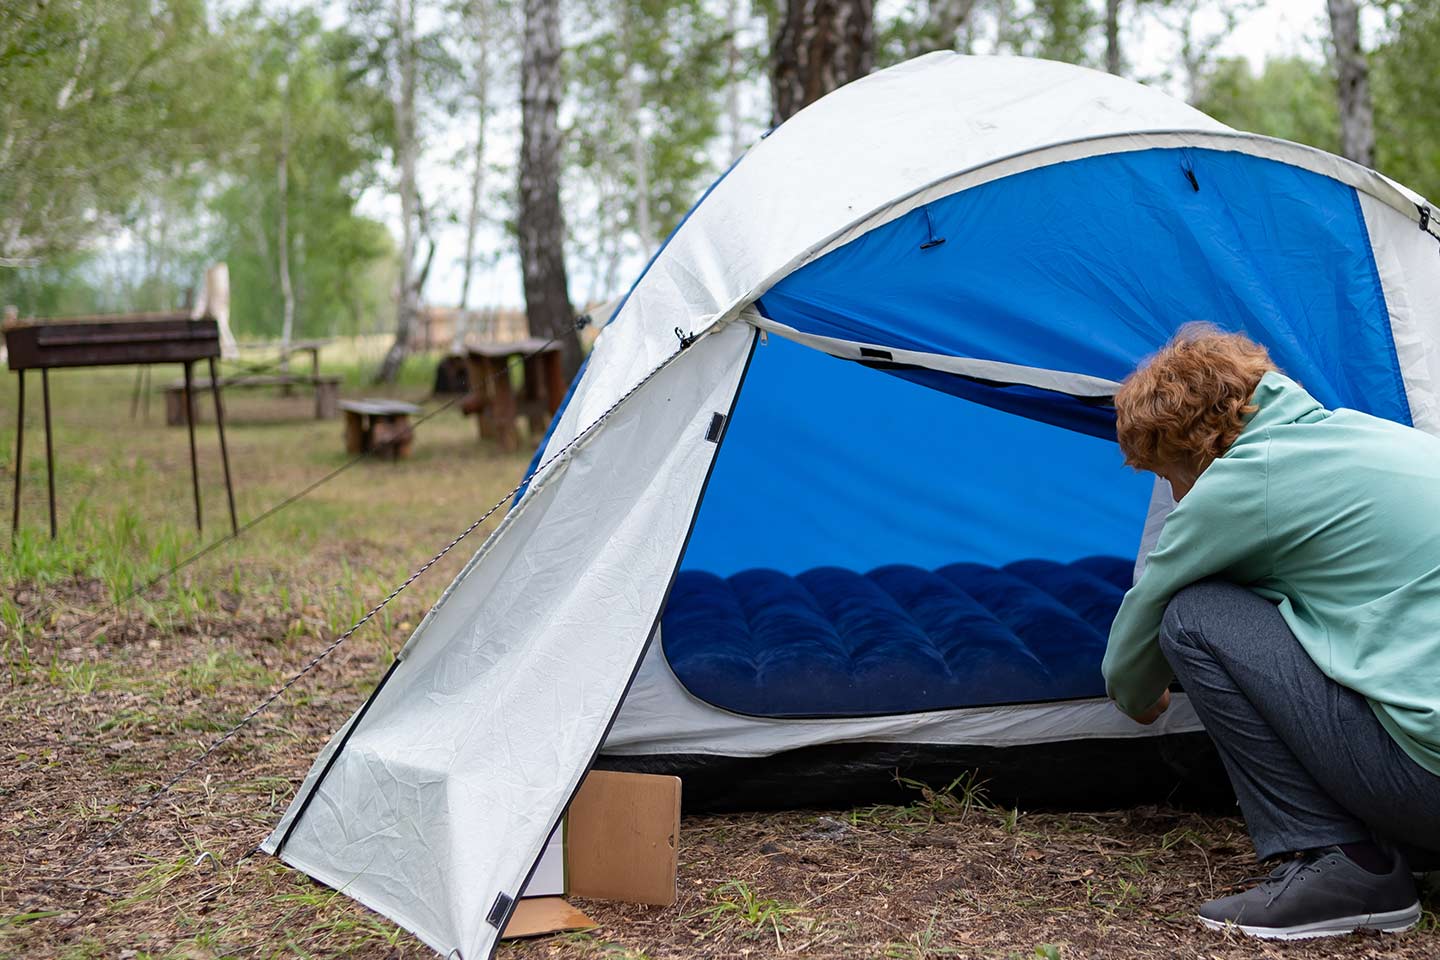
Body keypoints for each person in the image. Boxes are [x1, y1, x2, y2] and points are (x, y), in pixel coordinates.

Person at [1101, 325, 1440, 940]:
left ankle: (1344, 866)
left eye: (1167, 473)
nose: (1175, 495)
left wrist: (1141, 692)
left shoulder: (1240, 481)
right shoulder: (1377, 435)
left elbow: (1132, 665)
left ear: (1193, 443)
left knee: (1197, 615)